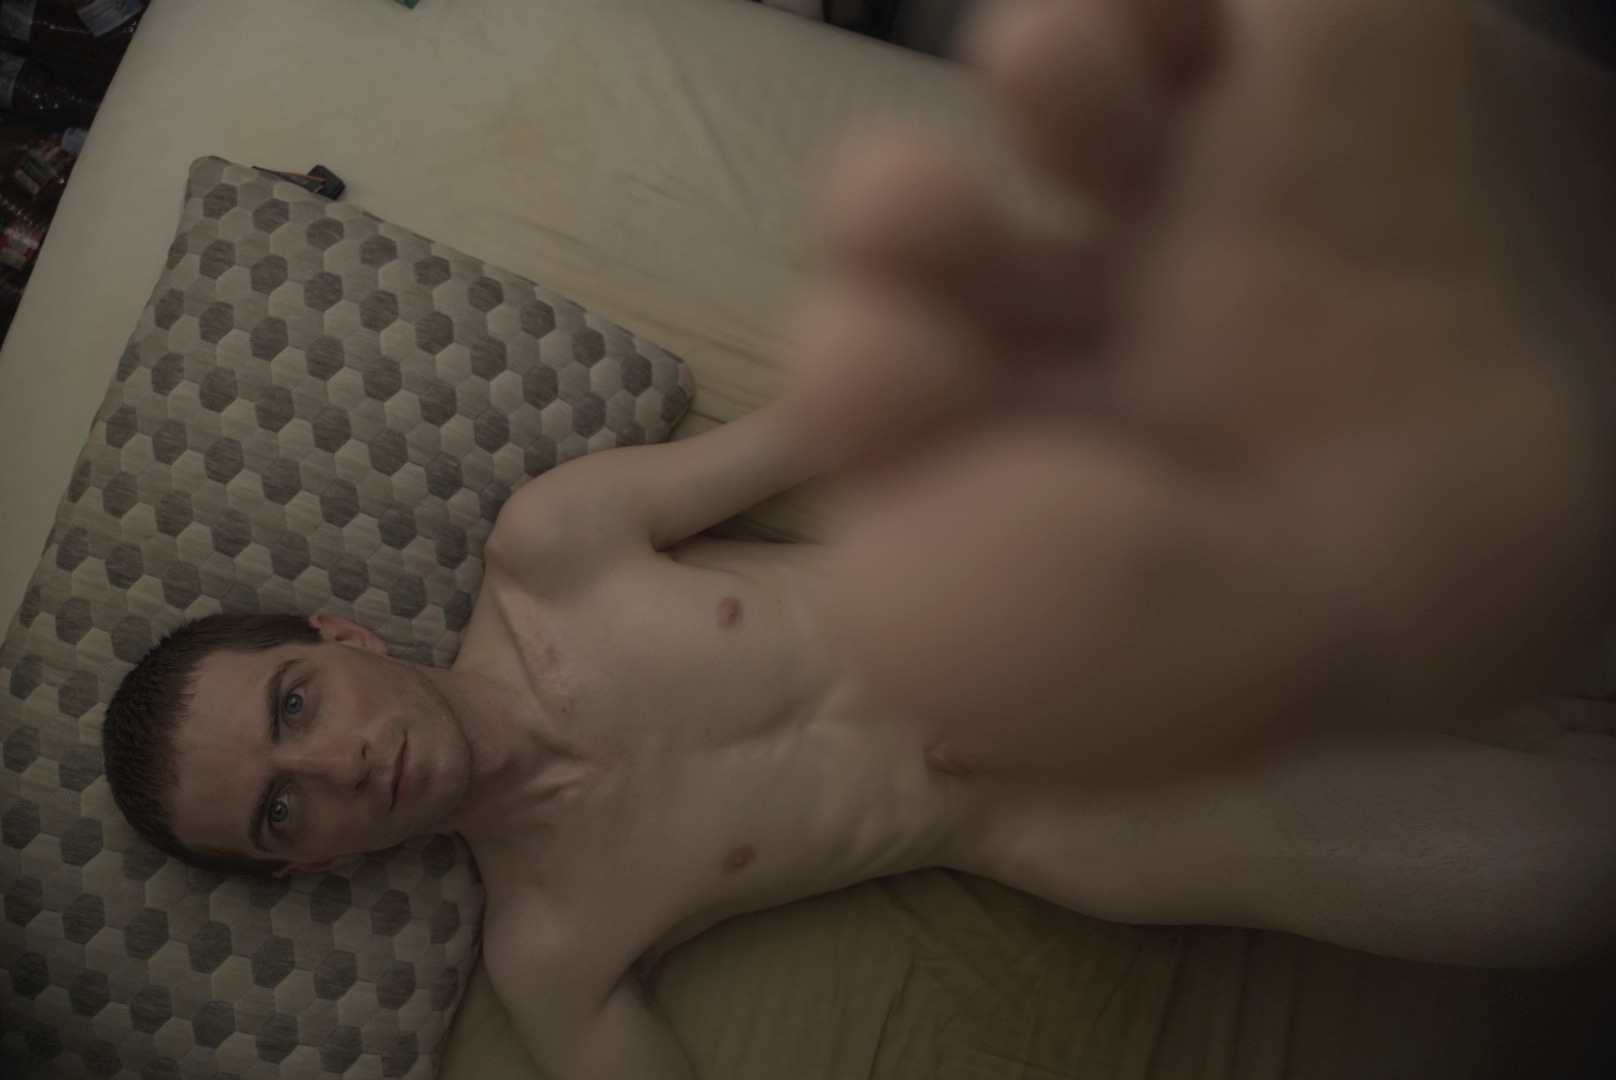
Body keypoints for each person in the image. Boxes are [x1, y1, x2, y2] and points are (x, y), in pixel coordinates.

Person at [102, 0, 1616, 1078]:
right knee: (1567, 885)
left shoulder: (553, 552)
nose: (333, 767)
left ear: (340, 638)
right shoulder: (554, 951)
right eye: (281, 813)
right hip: (1062, 821)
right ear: (307, 870)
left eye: (293, 707)